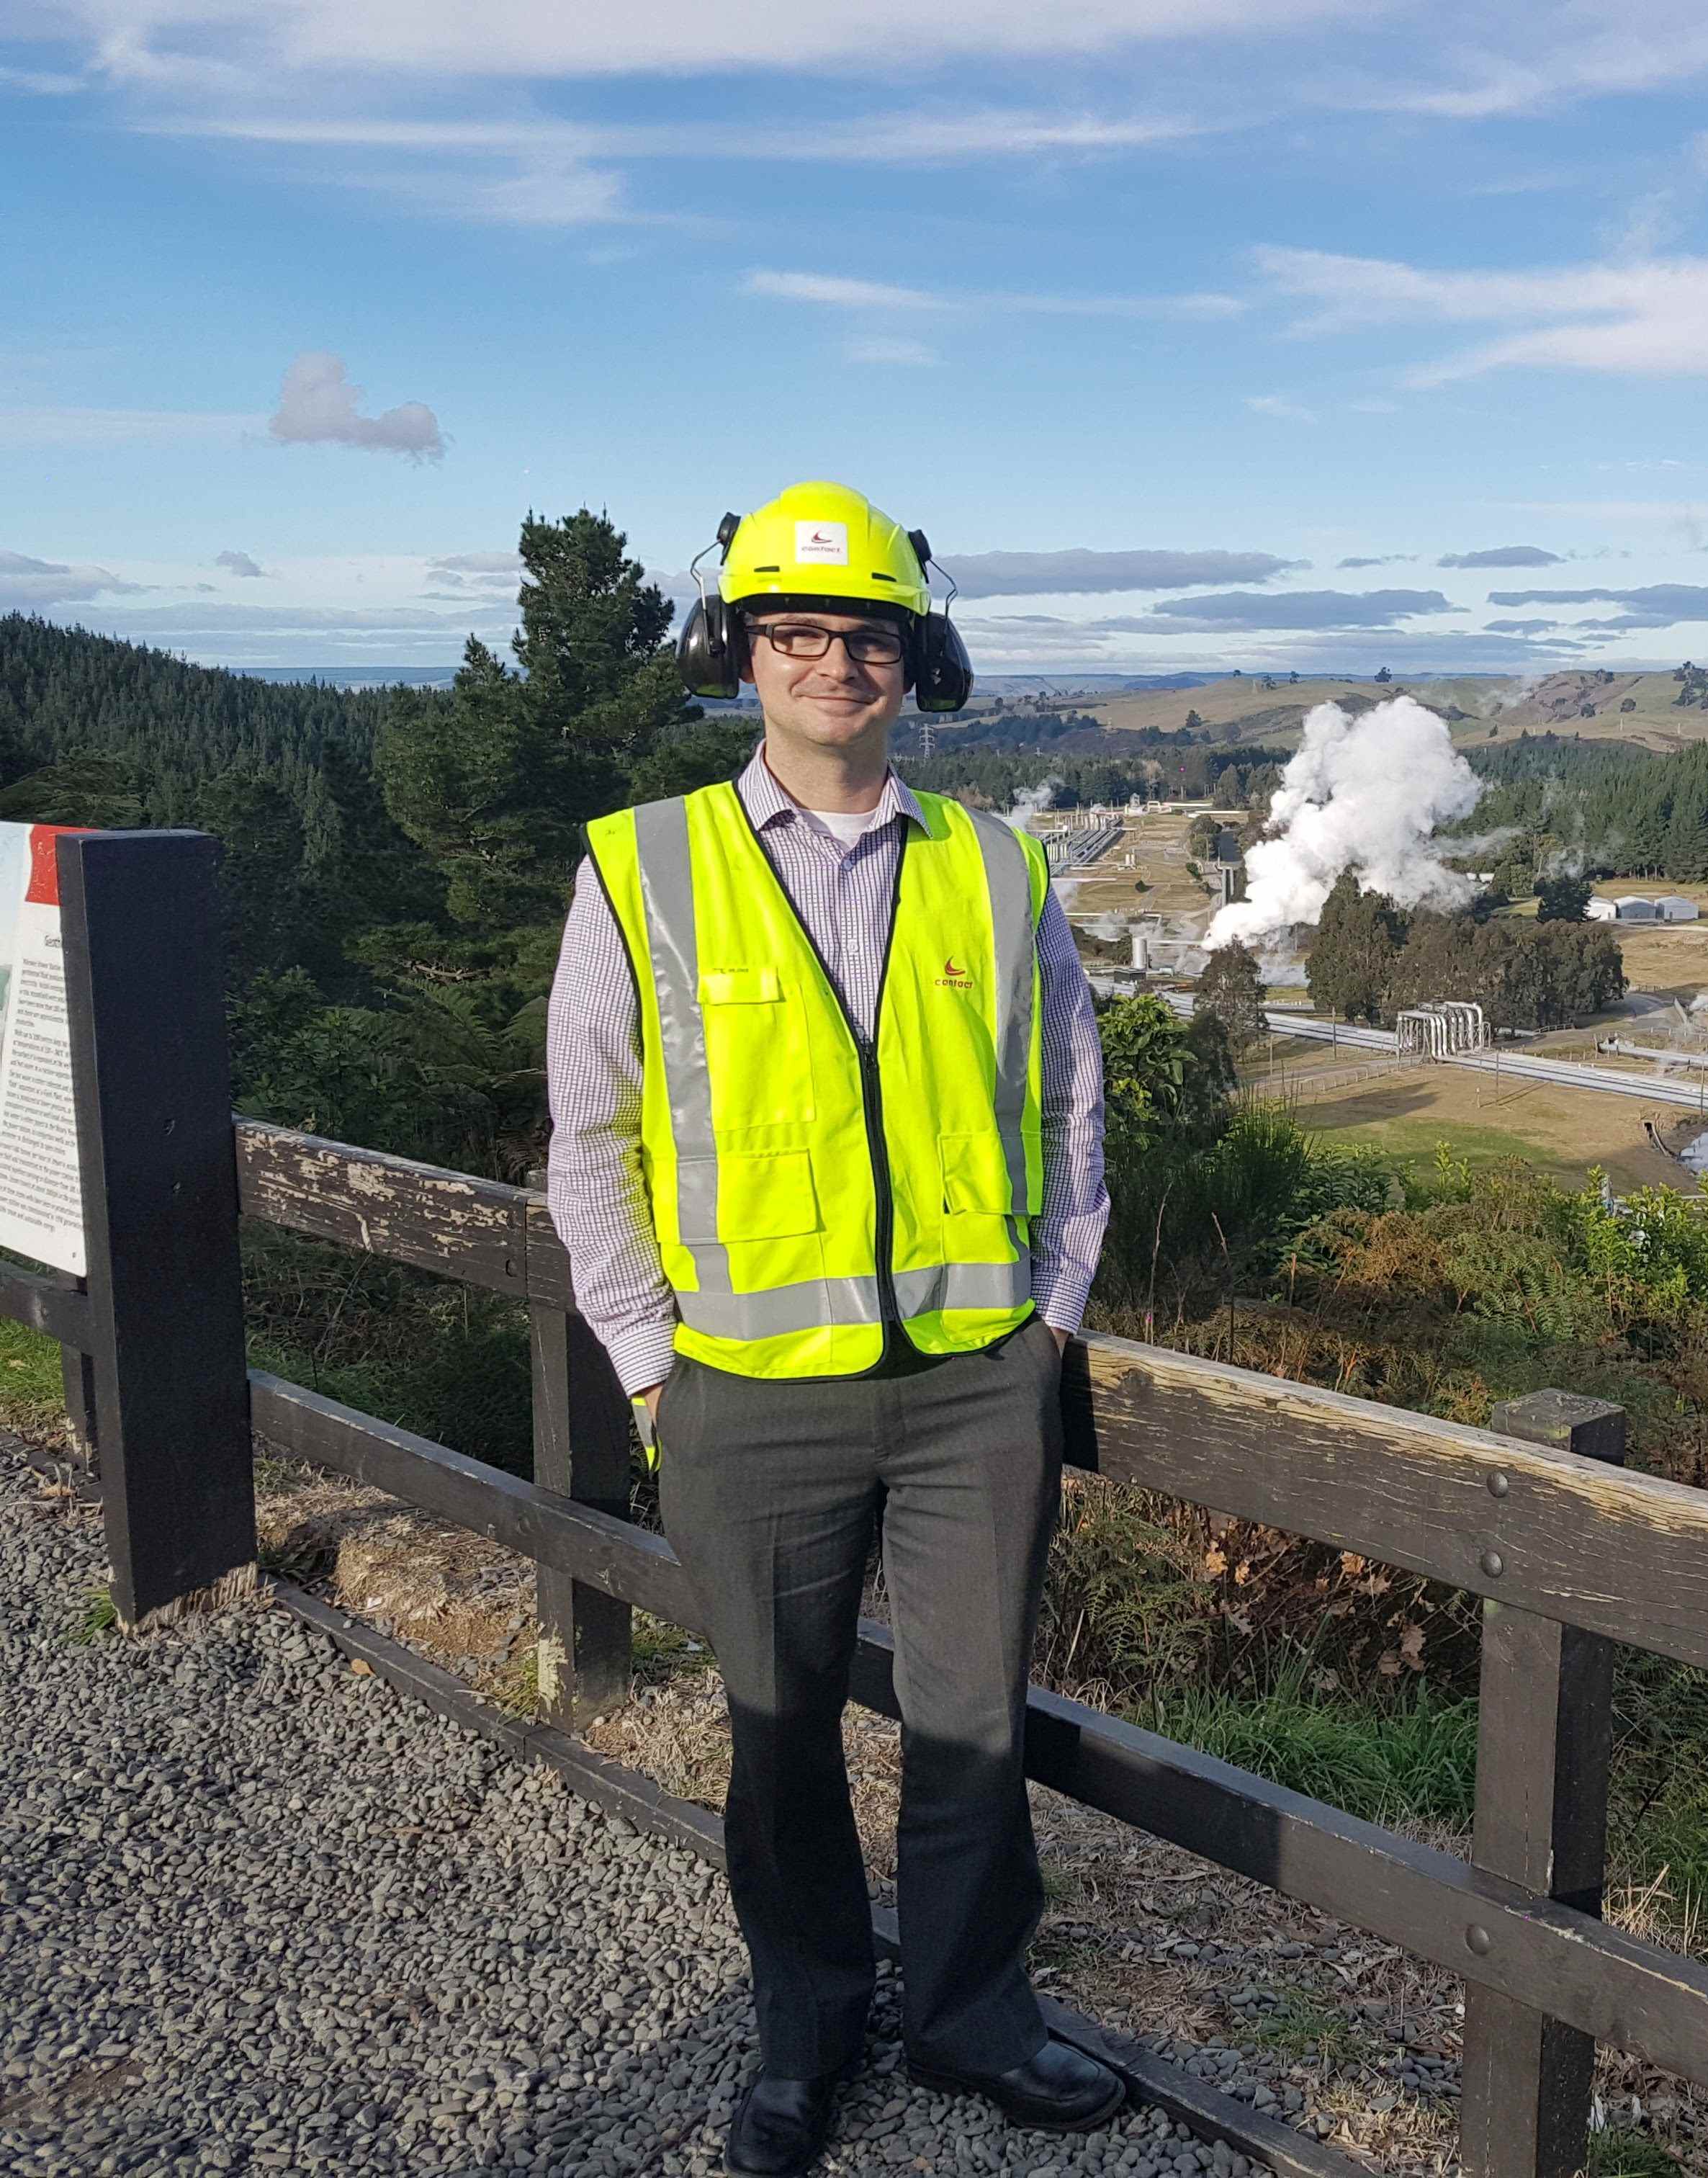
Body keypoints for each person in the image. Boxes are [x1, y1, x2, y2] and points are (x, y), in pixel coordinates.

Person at [545, 480, 1120, 2175]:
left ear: (910, 658)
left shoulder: (1000, 870)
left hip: (970, 1391)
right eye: (794, 631)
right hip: (745, 1400)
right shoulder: (646, 863)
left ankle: (971, 2015)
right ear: (743, 653)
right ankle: (805, 2027)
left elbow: (1072, 1110)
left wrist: (1047, 1326)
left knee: (975, 1722)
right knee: (779, 1735)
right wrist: (653, 1365)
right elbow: (590, 1142)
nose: (830, 662)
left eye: (863, 634)